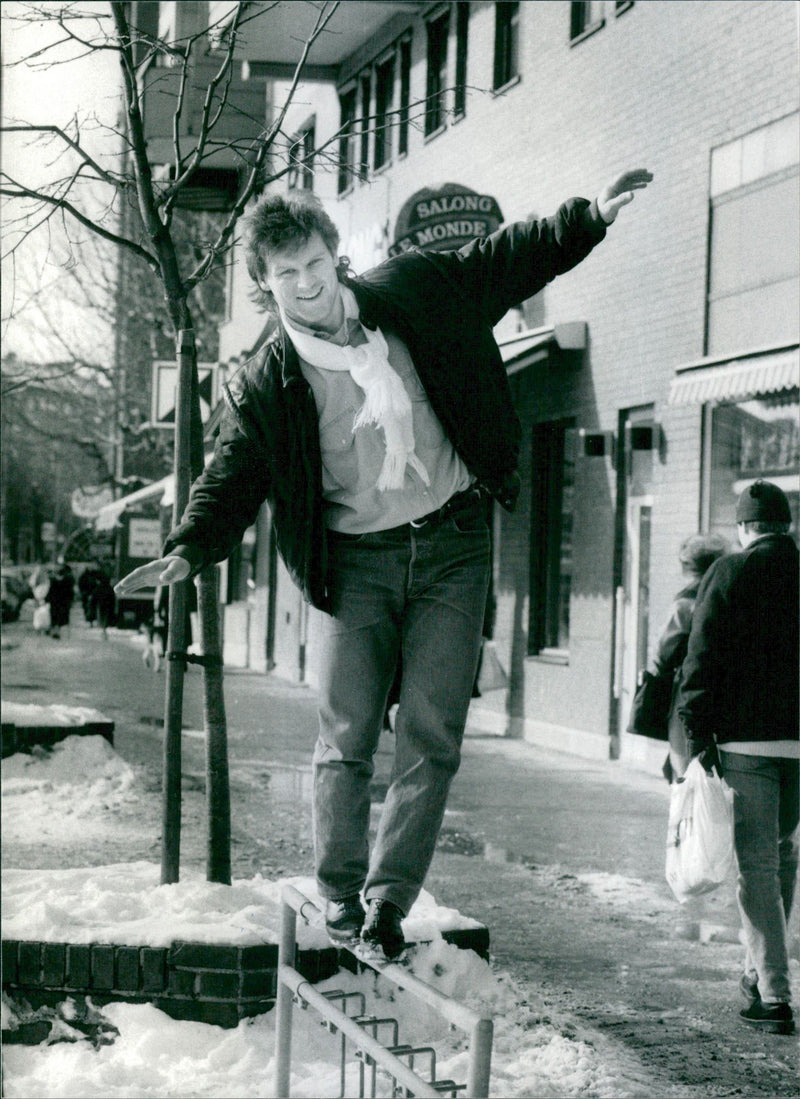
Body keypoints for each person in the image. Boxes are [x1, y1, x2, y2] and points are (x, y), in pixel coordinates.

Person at [115, 169, 653, 958]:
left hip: (454, 544)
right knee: (346, 734)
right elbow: (232, 472)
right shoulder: (266, 380)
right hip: (354, 565)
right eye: (286, 277)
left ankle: (388, 898)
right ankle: (338, 890)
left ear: (336, 257)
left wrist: (586, 219)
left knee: (433, 733)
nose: (306, 287)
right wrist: (189, 548)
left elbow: (499, 261)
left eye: (314, 266)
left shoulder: (415, 291)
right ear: (268, 289)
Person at [677, 480, 798, 1036]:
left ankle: (773, 998)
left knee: (759, 868)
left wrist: (696, 736)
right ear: (786, 524)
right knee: (780, 857)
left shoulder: (728, 573)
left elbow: (701, 657)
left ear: (746, 527)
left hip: (746, 746)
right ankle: (756, 972)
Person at [631, 533, 728, 782]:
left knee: (685, 769)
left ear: (687, 567)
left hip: (687, 692)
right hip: (727, 692)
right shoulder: (730, 595)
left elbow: (663, 653)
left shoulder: (685, 604)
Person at [46, 562, 74, 640]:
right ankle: (63, 633)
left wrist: (47, 599)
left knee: (54, 618)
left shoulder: (53, 581)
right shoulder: (67, 581)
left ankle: (55, 632)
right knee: (63, 618)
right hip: (64, 603)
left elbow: (50, 592)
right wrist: (71, 601)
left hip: (54, 603)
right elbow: (70, 593)